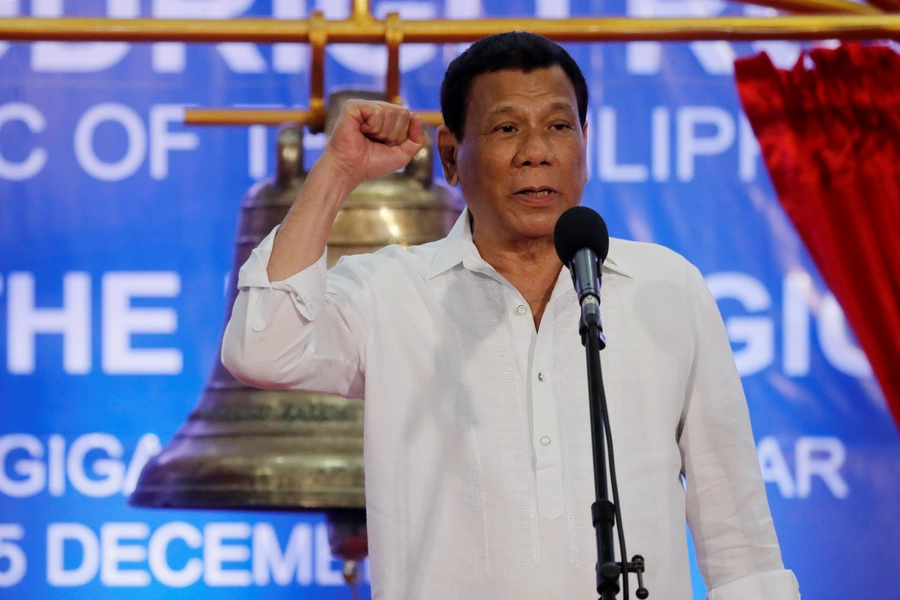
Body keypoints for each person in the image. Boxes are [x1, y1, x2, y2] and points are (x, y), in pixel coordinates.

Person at [222, 32, 800, 600]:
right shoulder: (392, 291)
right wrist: (338, 171)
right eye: (506, 128)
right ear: (451, 155)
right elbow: (262, 348)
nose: (536, 151)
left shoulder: (666, 288)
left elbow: (738, 534)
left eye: (557, 126)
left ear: (584, 142)